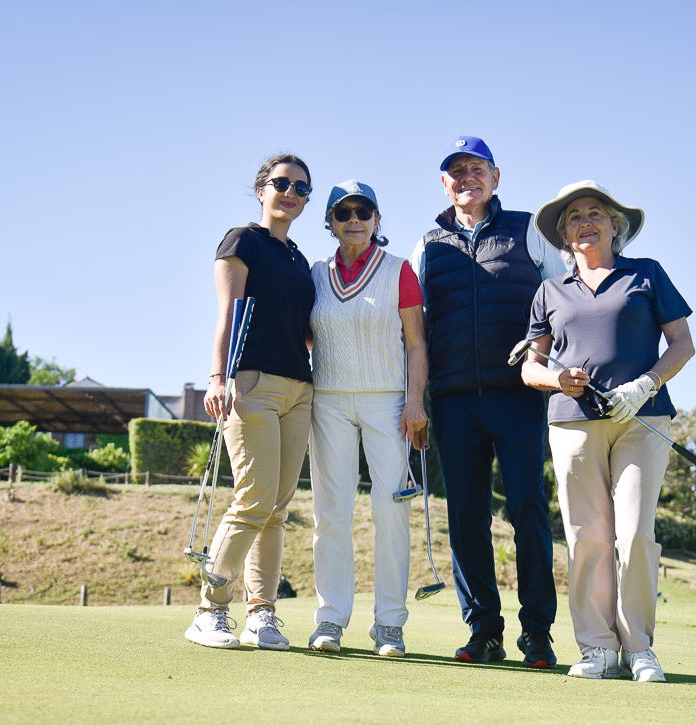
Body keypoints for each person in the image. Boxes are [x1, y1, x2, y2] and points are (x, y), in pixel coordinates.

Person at [518, 180, 694, 681]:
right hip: (573, 423)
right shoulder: (550, 291)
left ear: (616, 227)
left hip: (643, 418)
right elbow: (531, 368)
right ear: (564, 235)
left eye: (597, 213)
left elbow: (682, 344)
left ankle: (639, 646)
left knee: (635, 533)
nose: (586, 222)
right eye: (575, 217)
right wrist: (559, 380)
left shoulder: (647, 275)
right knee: (586, 537)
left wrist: (645, 384)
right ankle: (597, 647)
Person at [410, 136, 567, 668]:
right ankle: (484, 631)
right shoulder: (427, 245)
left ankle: (537, 633)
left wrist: (546, 361)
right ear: (443, 183)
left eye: (476, 169)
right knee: (467, 518)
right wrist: (416, 399)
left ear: (496, 177)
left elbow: (561, 298)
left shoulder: (530, 231)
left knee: (528, 512)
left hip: (519, 396)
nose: (466, 178)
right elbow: (412, 327)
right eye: (456, 171)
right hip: (454, 400)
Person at [184, 153, 316, 650]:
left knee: (278, 509)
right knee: (254, 499)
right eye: (281, 183)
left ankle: (262, 614)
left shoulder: (299, 259)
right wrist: (218, 377)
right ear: (262, 189)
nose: (290, 193)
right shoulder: (243, 241)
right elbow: (228, 313)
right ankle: (210, 611)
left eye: (301, 188)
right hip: (252, 384)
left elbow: (305, 331)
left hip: (299, 391)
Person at [307, 180, 429, 657]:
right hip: (329, 402)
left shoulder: (399, 271)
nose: (353, 219)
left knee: (390, 511)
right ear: (331, 222)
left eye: (364, 211)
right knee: (330, 514)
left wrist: (415, 402)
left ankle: (389, 624)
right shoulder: (316, 273)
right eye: (343, 212)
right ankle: (330, 620)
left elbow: (416, 343)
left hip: (388, 403)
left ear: (377, 220)